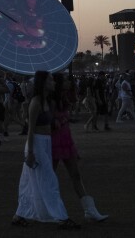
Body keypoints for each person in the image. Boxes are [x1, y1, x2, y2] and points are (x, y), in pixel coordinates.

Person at [12, 71, 80, 229]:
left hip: (45, 143)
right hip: (37, 144)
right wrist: (30, 153)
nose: (54, 82)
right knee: (49, 180)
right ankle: (61, 217)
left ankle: (19, 215)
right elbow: (30, 129)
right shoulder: (36, 102)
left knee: (29, 182)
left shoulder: (46, 101)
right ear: (43, 82)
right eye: (51, 80)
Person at [51, 73, 108, 222]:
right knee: (49, 176)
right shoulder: (50, 99)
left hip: (66, 139)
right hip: (54, 141)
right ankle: (46, 208)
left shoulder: (64, 97)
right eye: (65, 80)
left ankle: (90, 210)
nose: (69, 82)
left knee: (75, 174)